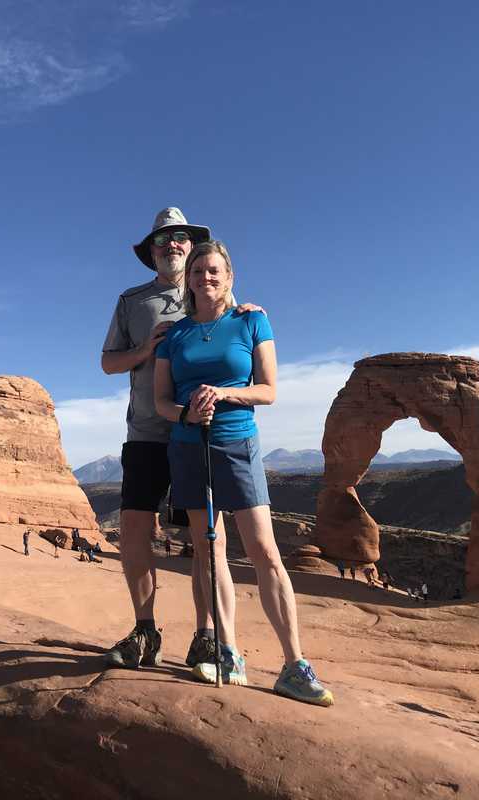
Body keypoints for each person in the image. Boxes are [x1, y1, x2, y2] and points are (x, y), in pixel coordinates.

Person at [154, 239, 333, 707]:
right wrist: (187, 414)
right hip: (190, 447)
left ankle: (294, 664)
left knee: (265, 551)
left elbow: (269, 391)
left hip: (238, 442)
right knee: (209, 551)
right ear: (188, 281)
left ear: (229, 277)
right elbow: (160, 403)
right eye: (197, 272)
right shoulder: (175, 335)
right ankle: (229, 651)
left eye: (213, 271)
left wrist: (224, 395)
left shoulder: (252, 320)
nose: (204, 278)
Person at [101, 207, 260, 673]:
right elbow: (108, 363)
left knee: (205, 537)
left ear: (192, 249)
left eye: (180, 239)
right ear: (151, 251)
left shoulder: (216, 295)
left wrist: (250, 308)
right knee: (134, 529)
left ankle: (206, 637)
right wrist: (146, 349)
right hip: (148, 430)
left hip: (201, 435)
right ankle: (145, 630)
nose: (172, 244)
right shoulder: (131, 302)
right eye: (162, 239)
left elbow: (242, 337)